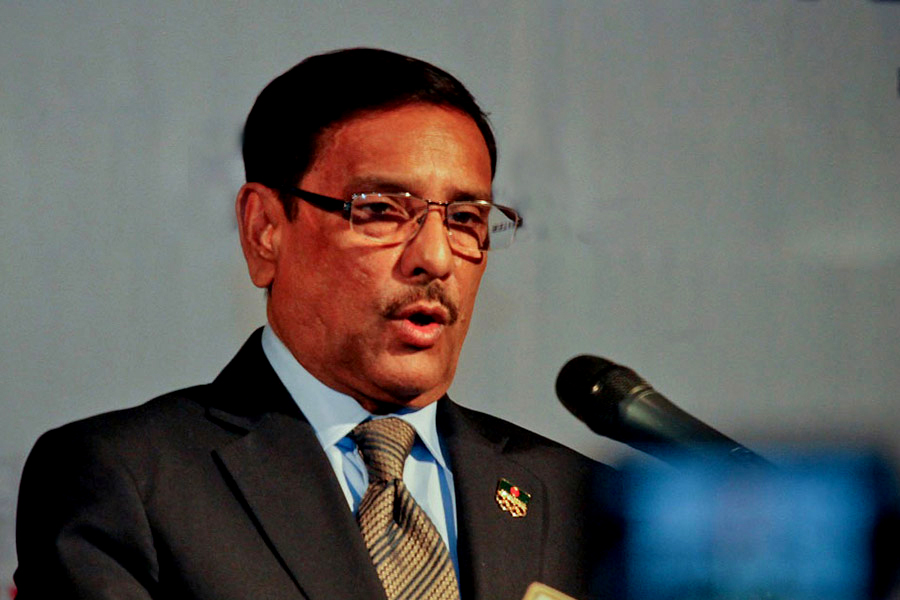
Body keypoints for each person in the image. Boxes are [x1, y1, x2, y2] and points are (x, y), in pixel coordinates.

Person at [14, 48, 622, 600]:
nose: (436, 258)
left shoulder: (585, 503)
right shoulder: (129, 482)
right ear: (264, 230)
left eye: (465, 218)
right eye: (381, 210)